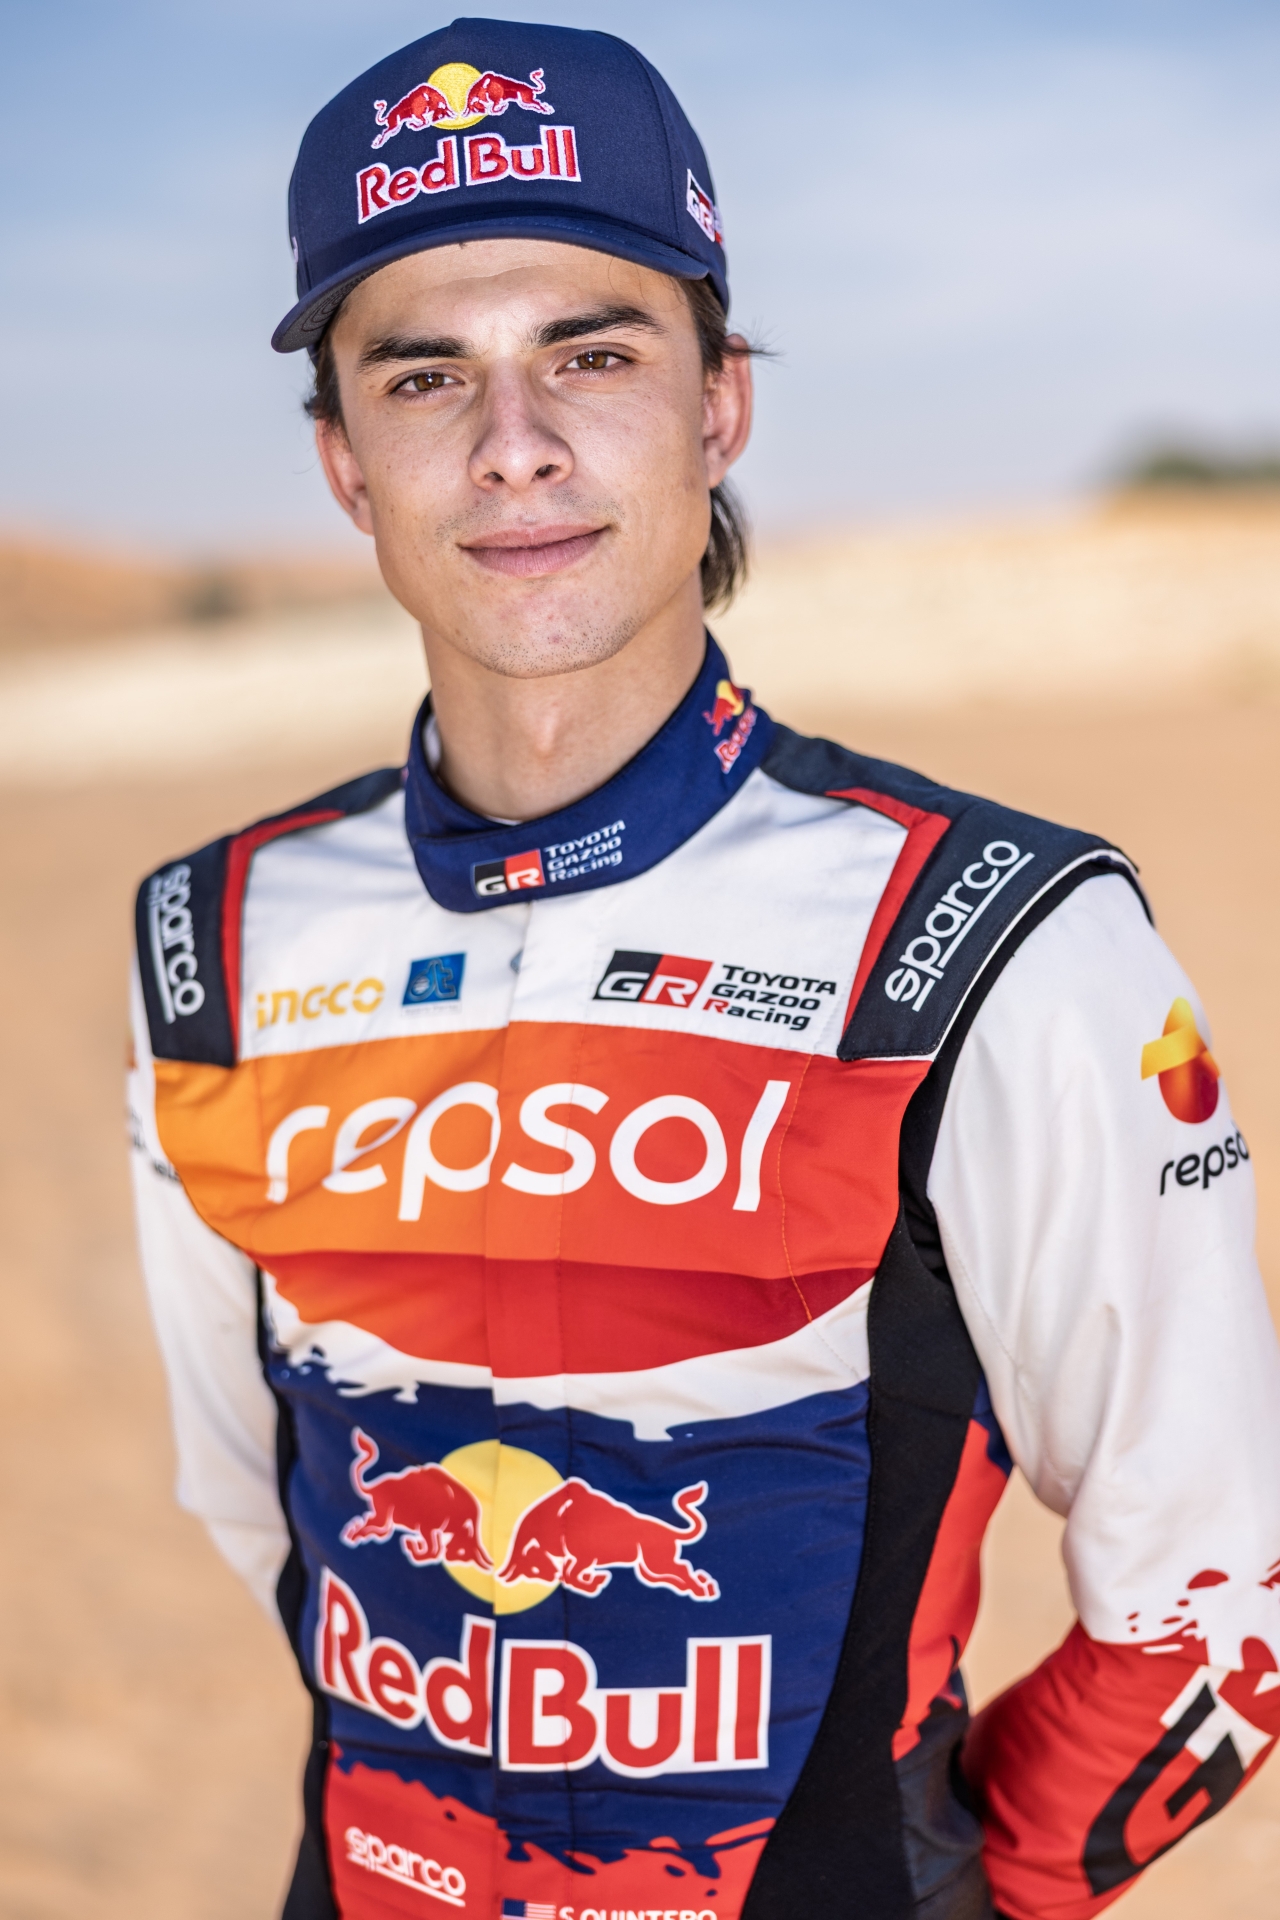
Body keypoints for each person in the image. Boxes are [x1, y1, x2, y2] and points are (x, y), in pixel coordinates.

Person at [127, 19, 1280, 1920]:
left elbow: (1219, 1602)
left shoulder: (1000, 931)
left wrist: (953, 1892)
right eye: (425, 375)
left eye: (593, 355)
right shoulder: (211, 940)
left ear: (719, 406)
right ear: (342, 459)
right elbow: (274, 1519)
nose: (514, 445)